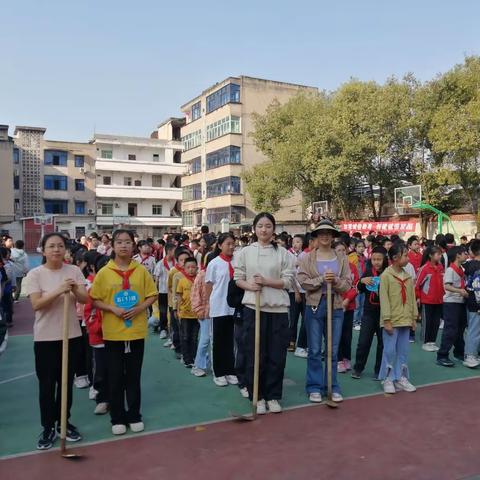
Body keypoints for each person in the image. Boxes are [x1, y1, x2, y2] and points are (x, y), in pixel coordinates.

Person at [24, 233, 89, 450]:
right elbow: (36, 304)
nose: (56, 250)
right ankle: (48, 427)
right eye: (51, 246)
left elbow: (84, 300)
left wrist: (74, 289)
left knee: (66, 383)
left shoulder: (74, 271)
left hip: (71, 335)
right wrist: (59, 290)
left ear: (65, 250)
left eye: (60, 246)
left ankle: (63, 422)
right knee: (46, 384)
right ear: (43, 250)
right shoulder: (35, 275)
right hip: (45, 338)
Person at [90, 229, 158, 436]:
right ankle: (117, 417)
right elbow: (95, 298)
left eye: (127, 242)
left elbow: (152, 294)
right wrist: (112, 309)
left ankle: (134, 415)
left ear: (133, 245)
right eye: (119, 242)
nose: (123, 246)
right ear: (112, 245)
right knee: (115, 376)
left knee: (134, 376)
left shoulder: (141, 271)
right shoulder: (104, 273)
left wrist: (139, 308)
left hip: (136, 332)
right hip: (113, 333)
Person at [234, 212, 294, 414]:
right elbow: (238, 278)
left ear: (273, 229)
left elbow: (288, 281)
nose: (264, 229)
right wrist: (250, 287)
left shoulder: (283, 254)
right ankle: (257, 395)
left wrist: (266, 282)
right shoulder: (244, 252)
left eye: (268, 226)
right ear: (254, 228)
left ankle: (273, 395)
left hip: (277, 309)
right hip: (254, 308)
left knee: (276, 354)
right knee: (255, 353)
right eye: (260, 226)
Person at [297, 219, 351, 404]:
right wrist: (321, 279)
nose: (325, 236)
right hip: (314, 306)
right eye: (321, 233)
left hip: (335, 306)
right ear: (316, 237)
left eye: (328, 232)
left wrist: (335, 281)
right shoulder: (307, 258)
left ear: (333, 235)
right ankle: (314, 386)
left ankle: (332, 385)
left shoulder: (341, 257)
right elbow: (302, 281)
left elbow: (347, 284)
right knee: (314, 349)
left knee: (333, 350)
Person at [378, 243, 418, 394]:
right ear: (395, 258)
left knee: (403, 350)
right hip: (392, 320)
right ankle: (387, 379)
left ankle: (401, 377)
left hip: (406, 319)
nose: (408, 258)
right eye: (405, 255)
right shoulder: (386, 276)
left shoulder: (407, 276)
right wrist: (387, 320)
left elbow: (412, 298)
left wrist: (414, 317)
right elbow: (384, 299)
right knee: (389, 350)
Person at [206, 233, 238, 387]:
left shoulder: (238, 261)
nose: (231, 246)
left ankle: (231, 370)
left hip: (234, 308)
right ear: (220, 245)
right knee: (218, 341)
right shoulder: (214, 263)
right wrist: (207, 305)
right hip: (218, 307)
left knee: (232, 341)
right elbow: (209, 285)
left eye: (233, 243)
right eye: (228, 244)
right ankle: (219, 373)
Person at [351, 246, 388, 379]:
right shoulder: (367, 272)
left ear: (385, 260)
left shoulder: (388, 273)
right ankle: (358, 368)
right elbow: (358, 288)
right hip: (368, 312)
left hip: (384, 313)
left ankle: (379, 370)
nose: (376, 262)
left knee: (382, 343)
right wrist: (362, 281)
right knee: (363, 341)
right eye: (374, 259)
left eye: (379, 259)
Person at [84, 254, 110, 414]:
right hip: (100, 337)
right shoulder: (93, 289)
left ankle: (116, 398)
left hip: (119, 336)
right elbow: (89, 313)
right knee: (101, 369)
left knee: (118, 368)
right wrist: (99, 328)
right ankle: (103, 398)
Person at [437, 246, 469, 367]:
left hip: (460, 302)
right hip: (451, 303)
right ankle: (442, 355)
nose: (466, 255)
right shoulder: (451, 270)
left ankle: (459, 352)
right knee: (450, 329)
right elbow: (447, 286)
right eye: (464, 253)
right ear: (458, 255)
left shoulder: (461, 269)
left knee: (460, 329)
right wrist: (460, 291)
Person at [334, 241, 358, 373]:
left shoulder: (352, 267)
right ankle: (338, 360)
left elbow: (355, 286)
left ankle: (346, 358)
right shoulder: (331, 267)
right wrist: (340, 301)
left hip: (349, 306)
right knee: (336, 333)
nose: (342, 252)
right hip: (335, 305)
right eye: (339, 250)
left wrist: (347, 300)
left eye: (344, 250)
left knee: (347, 335)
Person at [415, 246, 444, 351]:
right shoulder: (424, 268)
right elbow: (417, 284)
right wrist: (418, 297)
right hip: (427, 300)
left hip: (439, 300)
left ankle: (432, 341)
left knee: (436, 322)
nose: (440, 256)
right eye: (438, 254)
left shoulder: (441, 267)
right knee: (427, 322)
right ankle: (425, 342)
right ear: (430, 255)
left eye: (440, 254)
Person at [168, 248, 193, 357]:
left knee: (191, 332)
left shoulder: (195, 274)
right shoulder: (176, 274)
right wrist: (174, 308)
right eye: (181, 260)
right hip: (179, 307)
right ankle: (179, 349)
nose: (184, 262)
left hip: (192, 308)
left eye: (186, 259)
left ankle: (190, 351)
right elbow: (173, 292)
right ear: (177, 261)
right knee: (179, 329)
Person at [190, 254, 212, 377]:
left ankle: (207, 362)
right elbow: (195, 294)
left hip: (217, 312)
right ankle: (198, 365)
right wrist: (199, 310)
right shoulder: (202, 275)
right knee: (205, 339)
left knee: (213, 339)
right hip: (205, 312)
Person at [176, 257, 199, 368]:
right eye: (188, 267)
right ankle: (186, 359)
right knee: (185, 336)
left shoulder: (199, 280)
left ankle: (194, 357)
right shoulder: (182, 281)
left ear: (197, 268)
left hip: (197, 314)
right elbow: (179, 296)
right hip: (185, 314)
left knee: (194, 337)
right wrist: (178, 310)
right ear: (184, 268)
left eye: (193, 267)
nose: (191, 269)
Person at [463, 239, 480, 368]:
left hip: (472, 301)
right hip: (476, 303)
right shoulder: (477, 267)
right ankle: (470, 355)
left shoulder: (468, 266)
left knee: (473, 329)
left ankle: (472, 354)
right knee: (474, 330)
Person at [153, 243, 175, 338]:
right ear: (169, 251)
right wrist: (156, 290)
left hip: (173, 292)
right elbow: (156, 278)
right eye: (174, 250)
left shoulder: (176, 262)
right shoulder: (161, 263)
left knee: (173, 311)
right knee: (163, 311)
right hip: (162, 291)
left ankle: (172, 330)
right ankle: (163, 329)